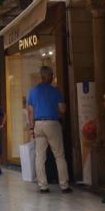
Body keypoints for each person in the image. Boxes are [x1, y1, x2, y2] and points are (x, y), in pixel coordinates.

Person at [26, 65, 72, 194]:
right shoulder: (55, 91)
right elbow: (63, 109)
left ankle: (43, 186)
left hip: (38, 125)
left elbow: (30, 111)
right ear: (48, 76)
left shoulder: (33, 91)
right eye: (52, 75)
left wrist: (31, 127)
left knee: (40, 156)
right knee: (59, 155)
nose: (53, 77)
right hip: (52, 123)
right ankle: (64, 185)